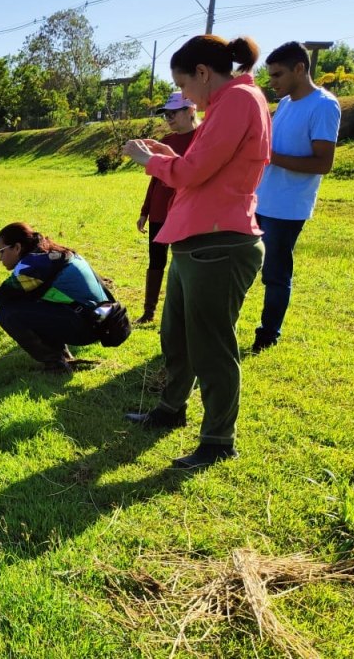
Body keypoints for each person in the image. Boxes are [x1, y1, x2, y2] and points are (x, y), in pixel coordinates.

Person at [121, 35, 269, 470]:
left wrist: (147, 161)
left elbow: (192, 172)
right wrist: (166, 153)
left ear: (202, 73)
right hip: (197, 240)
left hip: (219, 243)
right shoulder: (228, 104)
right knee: (177, 335)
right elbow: (201, 161)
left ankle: (218, 440)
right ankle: (171, 410)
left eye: (183, 84)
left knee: (211, 346)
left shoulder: (239, 101)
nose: (184, 96)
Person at [250, 41, 341, 354]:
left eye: (277, 75)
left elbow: (323, 163)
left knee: (275, 274)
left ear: (300, 69)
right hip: (261, 200)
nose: (272, 82)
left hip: (287, 208)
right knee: (244, 266)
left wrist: (271, 156)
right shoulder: (287, 103)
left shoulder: (324, 105)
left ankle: (268, 334)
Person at [0, 222, 108, 374]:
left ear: (17, 248)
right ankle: (61, 356)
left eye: (2, 251)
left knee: (8, 313)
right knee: (26, 303)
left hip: (89, 327)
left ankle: (56, 365)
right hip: (101, 320)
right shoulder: (50, 254)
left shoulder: (32, 267)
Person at [136, 91, 200, 323]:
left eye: (174, 113)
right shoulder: (166, 142)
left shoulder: (202, 138)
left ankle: (183, 313)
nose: (169, 119)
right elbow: (155, 177)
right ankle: (149, 311)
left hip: (186, 212)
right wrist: (145, 210)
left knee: (184, 263)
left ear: (191, 110)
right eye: (166, 115)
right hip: (160, 211)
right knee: (156, 260)